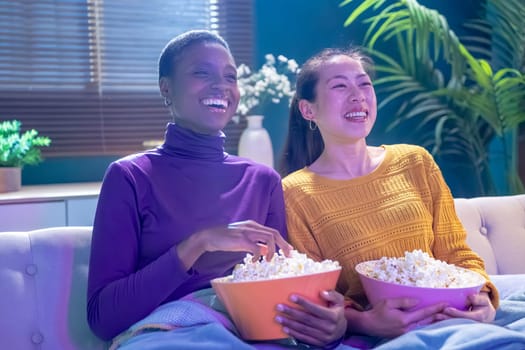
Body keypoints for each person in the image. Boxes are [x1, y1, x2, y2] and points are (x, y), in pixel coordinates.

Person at [87, 30, 346, 349]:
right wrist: (198, 243)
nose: (221, 85)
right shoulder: (130, 176)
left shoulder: (262, 180)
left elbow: (277, 288)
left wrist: (331, 321)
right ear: (165, 88)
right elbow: (103, 318)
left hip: (251, 335)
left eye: (230, 76)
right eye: (201, 72)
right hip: (171, 337)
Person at [279, 47, 499, 345]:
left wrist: (484, 299)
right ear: (308, 110)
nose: (358, 95)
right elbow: (317, 294)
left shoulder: (415, 161)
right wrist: (365, 322)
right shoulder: (295, 193)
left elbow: (456, 254)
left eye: (364, 83)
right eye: (340, 86)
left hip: (456, 321)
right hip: (382, 339)